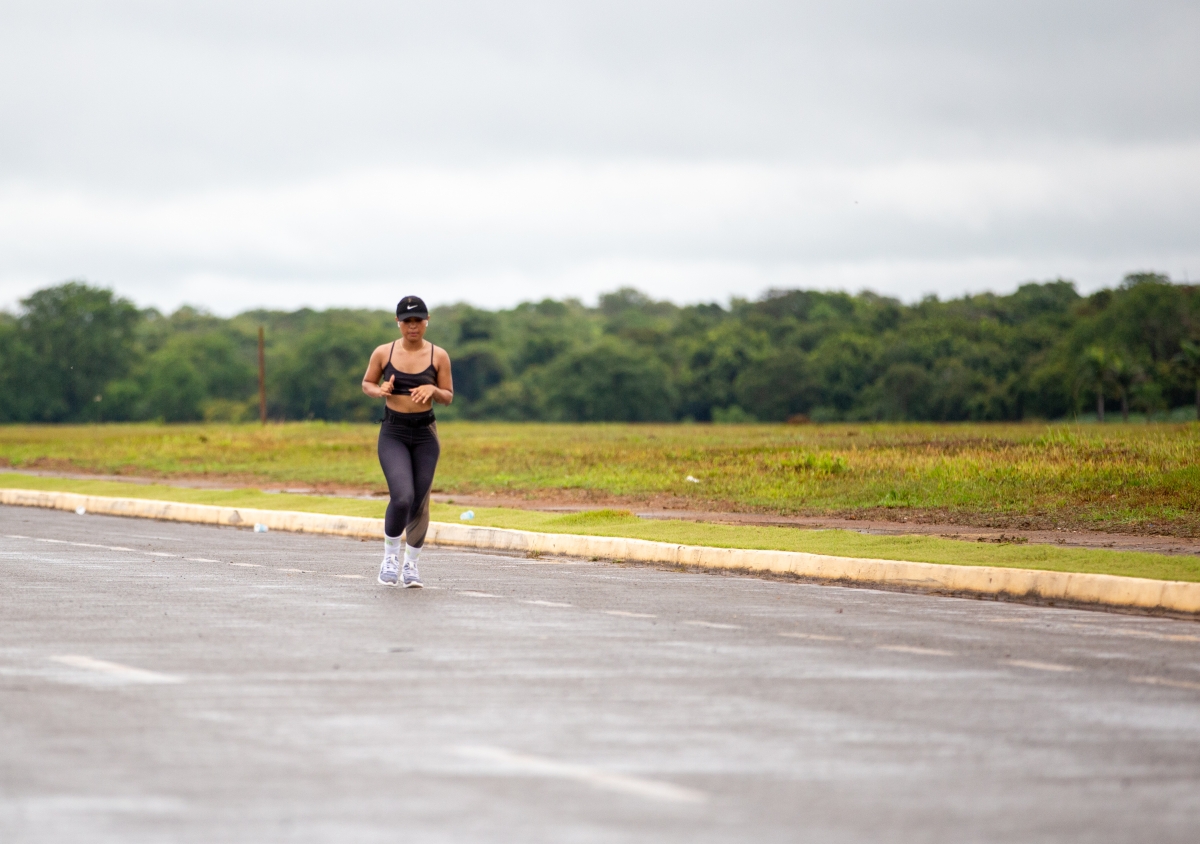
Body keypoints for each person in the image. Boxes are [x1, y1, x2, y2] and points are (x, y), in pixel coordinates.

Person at [361, 295, 454, 587]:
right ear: (398, 322)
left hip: (425, 434)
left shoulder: (438, 356)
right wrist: (379, 390)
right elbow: (367, 383)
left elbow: (448, 396)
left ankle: (411, 565)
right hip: (394, 433)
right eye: (407, 321)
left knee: (419, 502)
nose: (412, 326)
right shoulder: (383, 353)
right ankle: (390, 559)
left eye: (418, 321)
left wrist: (433, 390)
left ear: (427, 322)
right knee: (402, 497)